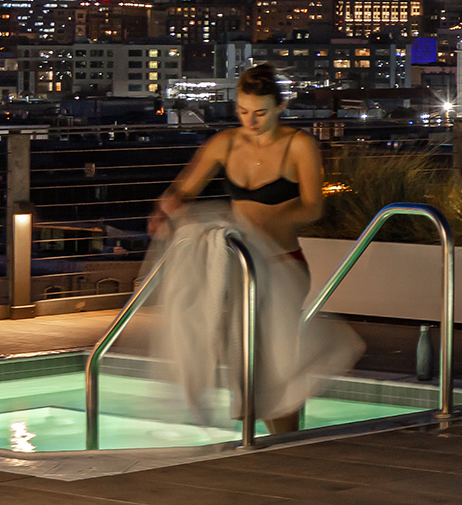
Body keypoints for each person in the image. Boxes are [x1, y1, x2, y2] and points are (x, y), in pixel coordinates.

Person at [138, 66, 359, 437]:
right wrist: (167, 209)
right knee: (245, 358)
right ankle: (257, 439)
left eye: (260, 113)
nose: (250, 121)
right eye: (242, 111)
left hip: (282, 261)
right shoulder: (226, 143)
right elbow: (183, 190)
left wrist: (273, 218)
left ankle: (284, 440)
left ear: (280, 107)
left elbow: (313, 207)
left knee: (275, 361)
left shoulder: (298, 145)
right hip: (240, 264)